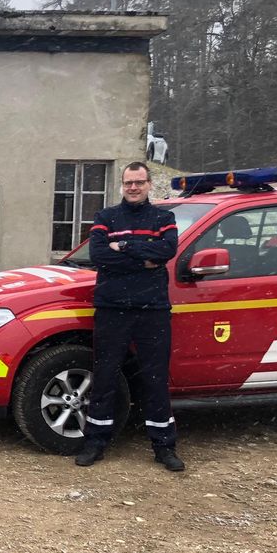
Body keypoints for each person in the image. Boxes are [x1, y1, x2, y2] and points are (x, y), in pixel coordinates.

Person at [75, 162, 184, 472]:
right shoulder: (106, 217)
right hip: (112, 308)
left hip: (153, 310)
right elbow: (99, 255)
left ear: (149, 184)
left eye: (139, 182)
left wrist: (122, 246)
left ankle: (164, 446)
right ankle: (95, 442)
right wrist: (143, 257)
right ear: (122, 185)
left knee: (155, 378)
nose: (133, 187)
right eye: (128, 183)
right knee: (105, 375)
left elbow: (167, 250)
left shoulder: (163, 218)